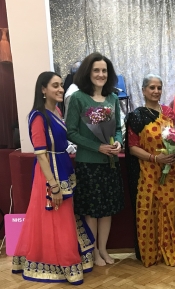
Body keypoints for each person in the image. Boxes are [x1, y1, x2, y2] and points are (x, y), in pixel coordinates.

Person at [12, 72, 94, 284]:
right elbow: (40, 155)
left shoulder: (56, 110)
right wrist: (53, 187)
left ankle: (66, 260)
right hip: (49, 174)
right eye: (55, 85)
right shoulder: (38, 116)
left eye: (61, 85)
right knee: (56, 219)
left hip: (63, 167)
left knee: (65, 218)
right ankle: (59, 264)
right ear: (43, 89)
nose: (60, 89)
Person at [66, 52, 124, 266]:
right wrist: (97, 146)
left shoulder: (113, 99)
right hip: (88, 162)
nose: (101, 74)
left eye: (104, 71)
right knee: (91, 211)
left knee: (107, 210)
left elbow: (118, 128)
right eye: (96, 70)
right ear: (88, 73)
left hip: (110, 163)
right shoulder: (78, 98)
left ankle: (103, 250)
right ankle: (91, 253)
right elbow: (71, 132)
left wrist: (117, 142)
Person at [125, 74, 175, 267]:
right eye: (151, 87)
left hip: (169, 171)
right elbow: (132, 147)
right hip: (147, 171)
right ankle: (151, 252)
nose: (156, 91)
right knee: (149, 210)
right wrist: (155, 158)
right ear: (143, 90)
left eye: (159, 87)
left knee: (169, 207)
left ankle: (169, 248)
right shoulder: (136, 116)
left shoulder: (168, 112)